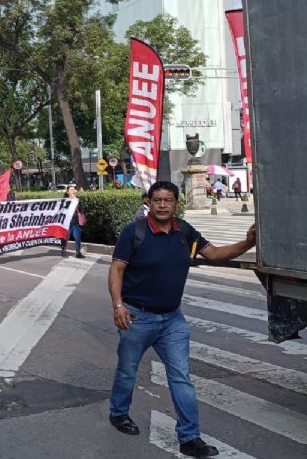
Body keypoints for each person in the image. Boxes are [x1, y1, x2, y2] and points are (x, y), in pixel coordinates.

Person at [108, 180, 257, 458]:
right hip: (137, 317)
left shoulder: (184, 231)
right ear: (149, 202)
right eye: (157, 200)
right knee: (127, 371)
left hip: (172, 321)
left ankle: (189, 438)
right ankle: (118, 413)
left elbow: (214, 253)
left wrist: (248, 242)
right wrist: (118, 305)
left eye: (168, 200)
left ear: (176, 203)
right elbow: (117, 270)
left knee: (181, 378)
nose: (162, 205)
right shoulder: (134, 232)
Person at [61, 185, 86, 258]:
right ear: (68, 192)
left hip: (76, 221)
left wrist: (76, 200)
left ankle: (78, 252)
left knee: (77, 237)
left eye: (74, 190)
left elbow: (81, 209)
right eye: (71, 190)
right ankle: (63, 250)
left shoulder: (77, 199)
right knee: (66, 237)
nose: (73, 191)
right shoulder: (65, 200)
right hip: (67, 222)